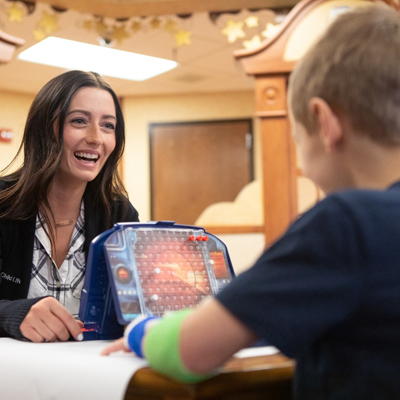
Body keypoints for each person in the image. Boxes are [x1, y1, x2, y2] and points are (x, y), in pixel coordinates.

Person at [102, 5, 400, 399]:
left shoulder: (346, 224)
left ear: (325, 124)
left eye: (298, 141)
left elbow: (189, 351)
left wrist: (142, 330)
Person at [0, 70, 139, 343]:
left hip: (88, 377)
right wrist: (12, 314)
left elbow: (133, 306)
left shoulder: (120, 214)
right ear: (44, 128)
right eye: (78, 121)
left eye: (108, 125)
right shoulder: (3, 204)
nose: (96, 137)